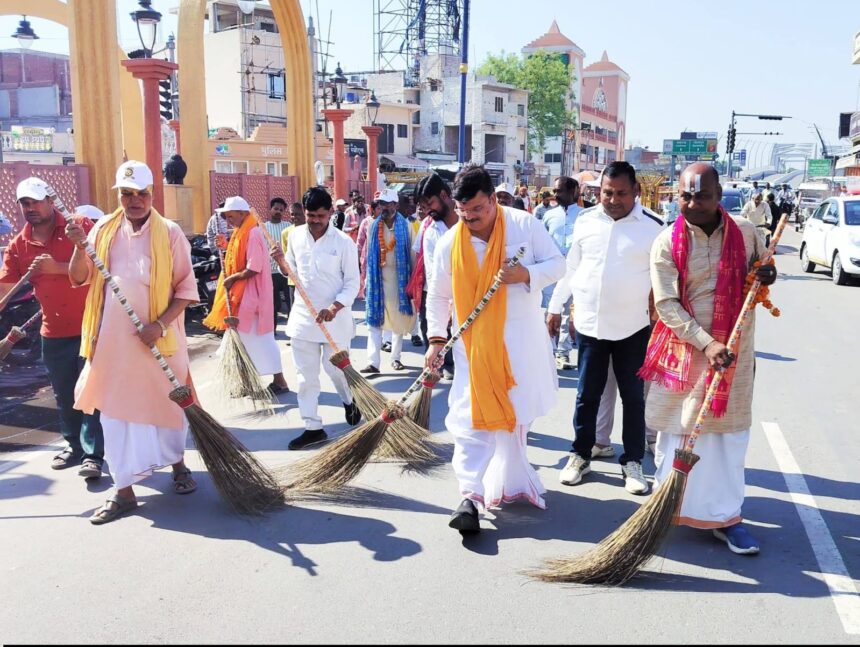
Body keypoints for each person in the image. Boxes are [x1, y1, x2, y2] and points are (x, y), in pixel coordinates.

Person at [643, 162, 776, 555]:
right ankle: (668, 507)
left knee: (728, 438)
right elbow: (666, 304)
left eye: (701, 196)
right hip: (687, 351)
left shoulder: (746, 232)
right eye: (685, 195)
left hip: (735, 349)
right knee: (679, 430)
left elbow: (764, 270)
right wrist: (705, 344)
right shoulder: (665, 242)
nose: (692, 203)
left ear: (719, 196)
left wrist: (767, 275)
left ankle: (727, 517)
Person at [425, 165, 565, 532]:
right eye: (463, 211)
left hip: (520, 341)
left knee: (515, 414)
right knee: (471, 417)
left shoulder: (523, 225)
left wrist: (526, 274)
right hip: (473, 346)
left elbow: (558, 264)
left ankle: (510, 479)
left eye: (477, 210)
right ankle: (470, 495)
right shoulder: (449, 243)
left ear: (493, 199)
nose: (470, 218)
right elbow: (438, 295)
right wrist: (436, 339)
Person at [66, 161, 198, 524]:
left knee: (169, 407)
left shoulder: (170, 233)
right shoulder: (103, 230)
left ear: (152, 194)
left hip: (160, 340)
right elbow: (78, 277)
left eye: (141, 193)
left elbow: (187, 290)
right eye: (127, 193)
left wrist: (159, 325)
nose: (134, 200)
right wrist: (78, 247)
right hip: (113, 343)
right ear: (119, 195)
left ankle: (178, 464)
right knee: (114, 415)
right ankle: (123, 490)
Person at [548, 161, 663, 494]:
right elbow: (572, 268)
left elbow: (664, 279)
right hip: (590, 324)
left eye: (621, 193)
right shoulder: (586, 221)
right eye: (607, 193)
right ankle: (580, 455)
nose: (613, 200)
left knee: (633, 398)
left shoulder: (654, 227)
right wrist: (555, 306)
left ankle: (632, 462)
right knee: (587, 395)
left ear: (636, 191)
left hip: (634, 327)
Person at [0, 177, 104, 479]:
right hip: (54, 331)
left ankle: (93, 455)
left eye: (35, 201)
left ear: (50, 200)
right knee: (64, 393)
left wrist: (54, 268)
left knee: (90, 393)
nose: (30, 208)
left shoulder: (79, 225)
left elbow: (101, 269)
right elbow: (5, 288)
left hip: (91, 327)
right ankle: (74, 445)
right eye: (24, 203)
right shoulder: (19, 244)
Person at [270, 187, 362, 449]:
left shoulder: (343, 242)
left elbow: (353, 283)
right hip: (303, 318)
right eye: (311, 216)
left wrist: (334, 307)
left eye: (321, 216)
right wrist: (280, 262)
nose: (315, 221)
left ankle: (349, 400)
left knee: (335, 370)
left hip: (335, 320)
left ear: (330, 213)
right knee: (305, 377)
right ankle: (313, 426)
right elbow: (291, 273)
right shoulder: (295, 236)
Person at [203, 196, 290, 394]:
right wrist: (225, 246)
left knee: (260, 340)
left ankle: (278, 381)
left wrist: (232, 278)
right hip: (243, 295)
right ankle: (247, 382)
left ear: (243, 214)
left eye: (230, 216)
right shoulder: (240, 233)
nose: (228, 220)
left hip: (253, 296)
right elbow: (238, 257)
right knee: (243, 340)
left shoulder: (253, 233)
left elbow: (254, 267)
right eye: (226, 217)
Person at [361, 188, 416, 373]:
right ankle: (373, 363)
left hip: (399, 280)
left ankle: (395, 358)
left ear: (395, 205)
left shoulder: (406, 226)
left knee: (398, 321)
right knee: (374, 322)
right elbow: (369, 254)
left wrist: (413, 282)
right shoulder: (373, 226)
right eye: (381, 204)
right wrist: (366, 279)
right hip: (377, 279)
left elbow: (413, 255)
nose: (383, 207)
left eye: (387, 204)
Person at [412, 173, 457, 380]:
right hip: (442, 294)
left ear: (444, 195)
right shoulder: (431, 231)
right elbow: (433, 275)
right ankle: (442, 365)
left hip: (473, 296)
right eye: (423, 206)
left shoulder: (470, 220)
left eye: (430, 203)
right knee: (435, 330)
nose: (427, 210)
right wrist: (446, 303)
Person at [542, 176, 582, 370]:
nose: (557, 195)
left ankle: (563, 353)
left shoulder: (585, 216)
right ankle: (548, 352)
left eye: (561, 191)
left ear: (574, 192)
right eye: (555, 191)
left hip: (575, 270)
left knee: (567, 311)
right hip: (551, 269)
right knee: (550, 309)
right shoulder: (548, 216)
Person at [264, 197, 292, 327]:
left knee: (291, 302)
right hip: (271, 272)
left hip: (287, 272)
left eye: (281, 210)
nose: (278, 212)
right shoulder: (263, 228)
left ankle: (292, 331)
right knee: (273, 303)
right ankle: (272, 330)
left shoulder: (288, 227)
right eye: (276, 209)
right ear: (270, 209)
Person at [279, 201, 306, 326]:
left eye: (298, 214)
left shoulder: (311, 230)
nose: (295, 217)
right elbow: (286, 256)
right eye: (292, 214)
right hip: (293, 280)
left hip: (309, 279)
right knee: (294, 310)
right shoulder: (286, 232)